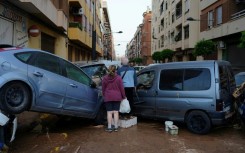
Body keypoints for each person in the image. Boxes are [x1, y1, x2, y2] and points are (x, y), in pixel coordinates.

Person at [102, 65, 126, 132]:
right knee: (116, 112)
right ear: (115, 70)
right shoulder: (118, 78)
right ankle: (116, 127)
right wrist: (123, 96)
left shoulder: (105, 78)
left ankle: (109, 127)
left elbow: (103, 88)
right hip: (117, 96)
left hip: (108, 96)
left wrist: (104, 95)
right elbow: (122, 88)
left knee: (109, 112)